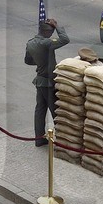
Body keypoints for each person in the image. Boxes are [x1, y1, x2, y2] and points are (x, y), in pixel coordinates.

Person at [25, 18, 71, 147]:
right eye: (50, 33)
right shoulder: (46, 43)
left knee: (40, 110)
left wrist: (41, 62)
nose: (51, 35)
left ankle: (39, 138)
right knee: (55, 109)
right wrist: (57, 26)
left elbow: (28, 61)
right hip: (48, 82)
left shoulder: (30, 43)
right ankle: (62, 140)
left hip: (39, 79)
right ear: (46, 32)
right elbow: (65, 39)